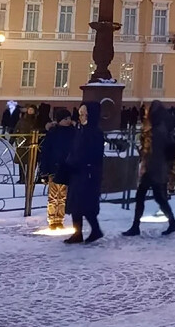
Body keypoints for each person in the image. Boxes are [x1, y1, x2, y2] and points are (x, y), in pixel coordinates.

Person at [124, 101, 175, 237]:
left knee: (142, 196)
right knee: (158, 197)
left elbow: (154, 151)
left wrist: (146, 167)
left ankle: (136, 226)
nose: (145, 113)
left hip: (153, 169)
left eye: (147, 110)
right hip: (157, 168)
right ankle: (172, 222)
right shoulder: (159, 126)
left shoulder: (157, 129)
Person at [63, 101, 104, 244]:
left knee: (84, 204)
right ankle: (78, 233)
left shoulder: (95, 132)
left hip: (87, 173)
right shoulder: (81, 129)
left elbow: (94, 154)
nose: (80, 117)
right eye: (79, 114)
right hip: (77, 171)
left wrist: (86, 166)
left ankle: (95, 230)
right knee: (76, 204)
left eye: (83, 114)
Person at [38, 110, 75, 231]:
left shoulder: (74, 132)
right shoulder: (53, 133)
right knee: (53, 195)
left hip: (67, 168)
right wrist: (43, 170)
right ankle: (52, 219)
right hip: (54, 168)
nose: (68, 121)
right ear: (59, 121)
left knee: (63, 195)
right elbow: (45, 152)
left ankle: (60, 219)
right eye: (65, 119)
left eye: (69, 118)